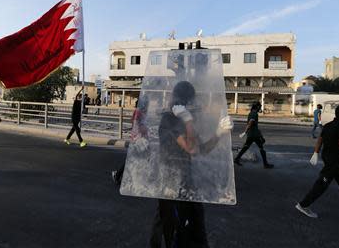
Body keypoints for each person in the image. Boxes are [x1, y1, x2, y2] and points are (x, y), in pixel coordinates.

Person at [150, 81, 233, 248]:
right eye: (189, 101)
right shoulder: (170, 119)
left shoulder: (182, 119)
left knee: (191, 226)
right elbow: (191, 149)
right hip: (171, 183)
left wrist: (219, 132)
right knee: (172, 230)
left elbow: (202, 149)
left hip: (185, 181)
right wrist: (187, 120)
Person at [111, 96, 149, 186]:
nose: (148, 105)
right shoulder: (138, 112)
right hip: (138, 140)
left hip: (142, 139)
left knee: (138, 159)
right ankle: (118, 175)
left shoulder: (142, 112)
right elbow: (136, 125)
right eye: (147, 103)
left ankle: (120, 175)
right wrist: (140, 136)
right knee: (138, 159)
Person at [233, 102, 274, 168]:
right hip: (254, 135)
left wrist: (260, 135)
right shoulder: (254, 114)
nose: (260, 108)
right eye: (260, 106)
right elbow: (250, 123)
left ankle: (237, 159)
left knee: (246, 147)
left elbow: (255, 126)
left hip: (252, 134)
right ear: (257, 107)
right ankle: (265, 164)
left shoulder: (252, 113)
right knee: (261, 148)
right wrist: (245, 132)